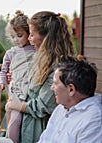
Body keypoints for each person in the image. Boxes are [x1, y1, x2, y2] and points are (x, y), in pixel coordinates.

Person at [5, 11, 76, 143]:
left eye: (32, 35)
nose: (29, 39)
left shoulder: (59, 68)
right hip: (28, 125)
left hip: (39, 130)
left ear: (47, 38)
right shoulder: (41, 58)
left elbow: (42, 106)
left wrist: (14, 105)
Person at [38, 56, 102, 142]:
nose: (52, 88)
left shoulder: (94, 120)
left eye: (55, 84)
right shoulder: (61, 108)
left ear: (71, 89)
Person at [0, 10, 35, 143]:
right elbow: (3, 70)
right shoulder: (10, 53)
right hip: (17, 92)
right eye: (12, 37)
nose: (16, 40)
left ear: (29, 34)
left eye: (19, 35)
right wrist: (1, 83)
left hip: (31, 92)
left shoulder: (37, 51)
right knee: (15, 119)